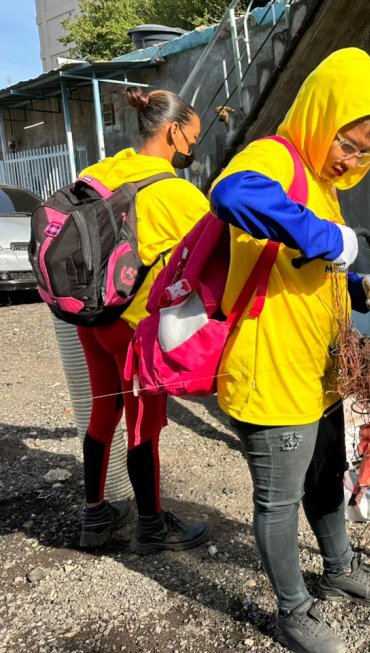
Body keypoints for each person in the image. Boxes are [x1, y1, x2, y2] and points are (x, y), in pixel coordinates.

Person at [209, 48, 370, 653]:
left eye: (364, 153)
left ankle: (339, 570)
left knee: (326, 478)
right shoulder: (274, 157)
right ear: (320, 115)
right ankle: (293, 611)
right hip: (271, 369)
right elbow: (231, 193)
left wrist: (360, 290)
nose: (351, 160)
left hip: (319, 370)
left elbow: (305, 268)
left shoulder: (322, 183)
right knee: (279, 500)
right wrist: (324, 236)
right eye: (347, 142)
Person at [77, 88, 210, 553]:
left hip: (90, 316)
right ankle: (152, 526)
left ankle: (94, 515)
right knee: (142, 426)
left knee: (103, 410)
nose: (193, 147)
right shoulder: (178, 193)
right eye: (193, 137)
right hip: (132, 327)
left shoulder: (102, 170)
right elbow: (221, 251)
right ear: (173, 132)